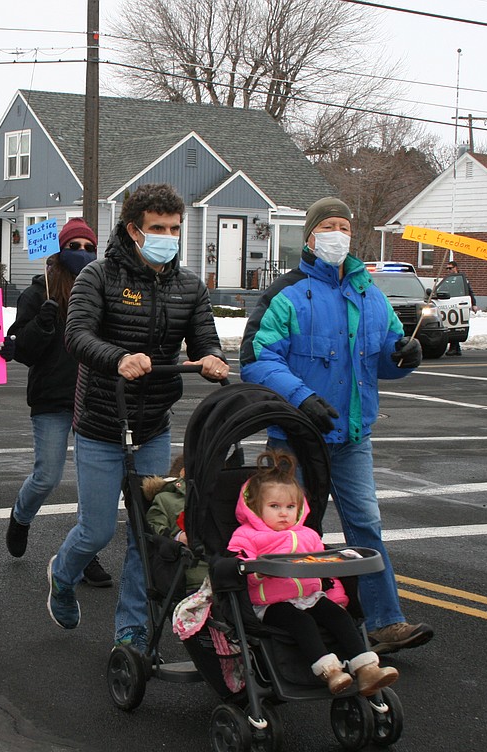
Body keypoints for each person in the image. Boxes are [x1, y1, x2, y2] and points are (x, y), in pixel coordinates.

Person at [240, 196, 434, 655]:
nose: (337, 233)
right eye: (328, 225)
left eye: (344, 226)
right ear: (309, 235)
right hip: (295, 440)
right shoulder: (285, 294)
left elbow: (387, 352)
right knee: (287, 529)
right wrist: (302, 399)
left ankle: (386, 622)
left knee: (365, 526)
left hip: (351, 437)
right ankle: (283, 615)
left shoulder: (370, 294)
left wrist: (404, 357)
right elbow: (256, 359)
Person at [45, 183, 228, 652]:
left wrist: (210, 358)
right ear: (134, 230)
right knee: (97, 530)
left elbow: (204, 339)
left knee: (146, 535)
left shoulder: (188, 285)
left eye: (174, 228)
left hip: (152, 427)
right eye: (157, 228)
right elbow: (78, 336)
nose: (168, 235)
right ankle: (62, 575)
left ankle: (131, 630)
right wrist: (119, 356)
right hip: (101, 423)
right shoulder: (99, 277)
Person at [228, 450, 399, 696]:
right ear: (255, 507)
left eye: (290, 506)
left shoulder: (307, 535)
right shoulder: (246, 536)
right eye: (274, 506)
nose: (283, 513)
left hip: (310, 596)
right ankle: (330, 671)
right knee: (302, 623)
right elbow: (239, 567)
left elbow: (326, 572)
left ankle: (367, 667)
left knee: (339, 617)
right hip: (272, 603)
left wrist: (337, 597)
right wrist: (259, 571)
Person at [0, 217, 111, 587]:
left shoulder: (103, 290)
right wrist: (43, 324)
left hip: (94, 398)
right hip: (52, 396)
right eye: (73, 246)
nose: (81, 253)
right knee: (47, 475)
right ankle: (21, 515)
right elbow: (23, 352)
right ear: (59, 250)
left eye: (88, 247)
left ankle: (86, 553)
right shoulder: (38, 293)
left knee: (91, 483)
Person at [143, 453, 206, 592]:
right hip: (188, 570)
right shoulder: (165, 499)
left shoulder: (218, 498)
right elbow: (155, 530)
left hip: (224, 570)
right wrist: (177, 538)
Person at [443, 258, 477, 356]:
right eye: (447, 269)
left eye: (450, 268)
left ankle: (454, 348)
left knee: (456, 327)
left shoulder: (461, 279)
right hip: (450, 305)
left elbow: (470, 292)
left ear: (456, 268)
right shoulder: (449, 280)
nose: (448, 270)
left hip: (459, 304)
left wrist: (474, 304)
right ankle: (456, 349)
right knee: (453, 326)